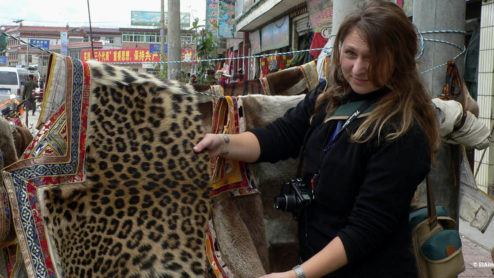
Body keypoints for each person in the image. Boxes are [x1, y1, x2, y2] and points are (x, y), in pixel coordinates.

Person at [194, 1, 439, 277]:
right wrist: (222, 143)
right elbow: (280, 136)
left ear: (399, 61)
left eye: (373, 58)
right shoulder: (331, 96)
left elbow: (366, 229)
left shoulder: (403, 131)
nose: (359, 68)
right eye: (351, 54)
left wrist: (296, 274)